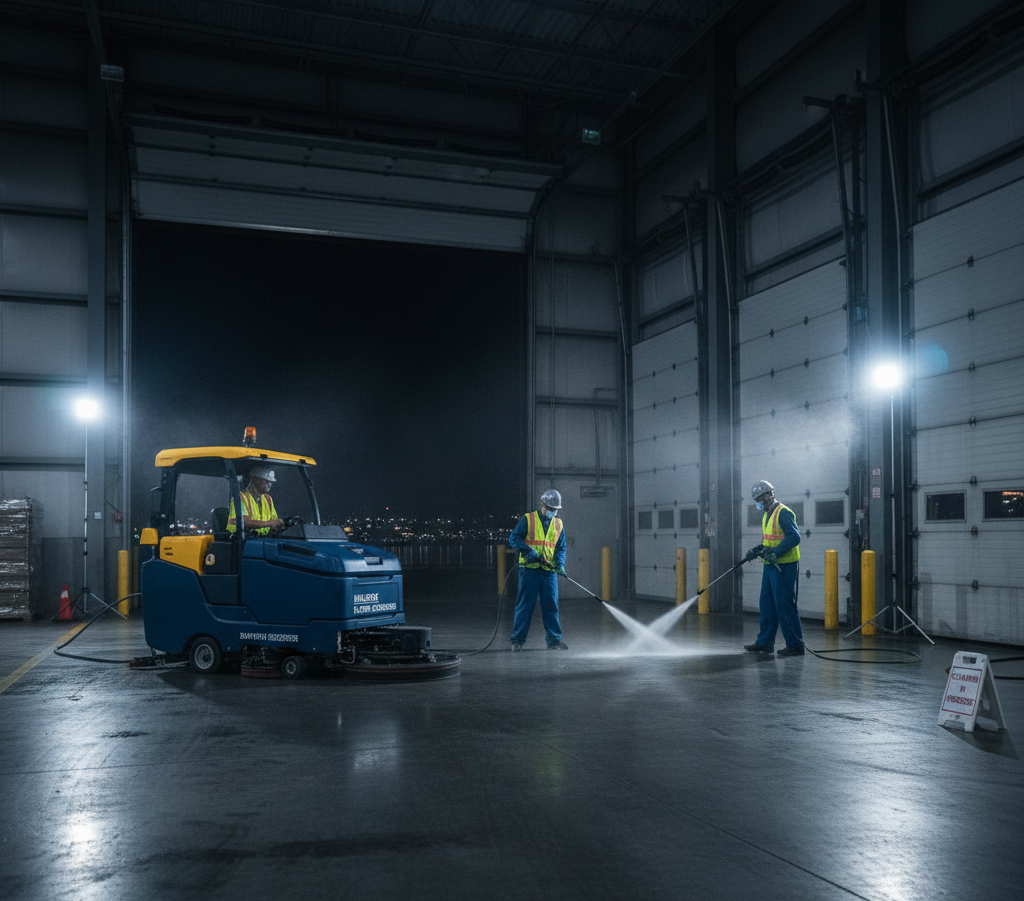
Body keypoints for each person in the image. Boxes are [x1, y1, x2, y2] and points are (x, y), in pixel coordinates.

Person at [744, 480, 805, 657]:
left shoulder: (783, 512)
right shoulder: (766, 515)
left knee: (784, 605)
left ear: (770, 494)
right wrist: (759, 549)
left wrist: (775, 552)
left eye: (761, 497)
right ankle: (765, 642)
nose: (759, 502)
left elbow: (794, 537)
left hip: (784, 566)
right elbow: (770, 540)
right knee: (767, 604)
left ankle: (795, 645)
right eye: (757, 499)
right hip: (770, 566)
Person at [508, 489, 568, 651]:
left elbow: (561, 548)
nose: (553, 511)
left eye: (555, 509)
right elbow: (514, 538)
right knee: (525, 606)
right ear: (543, 504)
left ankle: (554, 641)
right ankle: (517, 641)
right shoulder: (528, 519)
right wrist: (528, 551)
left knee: (551, 605)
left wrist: (560, 564)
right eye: (551, 508)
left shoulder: (558, 524)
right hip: (529, 570)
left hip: (549, 573)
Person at [227, 467, 284, 536]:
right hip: (240, 538)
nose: (269, 485)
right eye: (266, 482)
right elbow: (243, 521)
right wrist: (270, 523)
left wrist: (280, 525)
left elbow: (274, 520)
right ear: (254, 479)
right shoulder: (240, 498)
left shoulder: (268, 499)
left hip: (261, 539)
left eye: (271, 482)